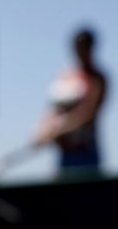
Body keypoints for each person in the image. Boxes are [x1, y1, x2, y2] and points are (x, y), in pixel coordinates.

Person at [34, 27, 108, 174]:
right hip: (65, 153)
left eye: (85, 47)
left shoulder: (98, 78)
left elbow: (89, 113)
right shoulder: (66, 77)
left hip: (86, 151)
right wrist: (43, 130)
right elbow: (54, 110)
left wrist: (59, 129)